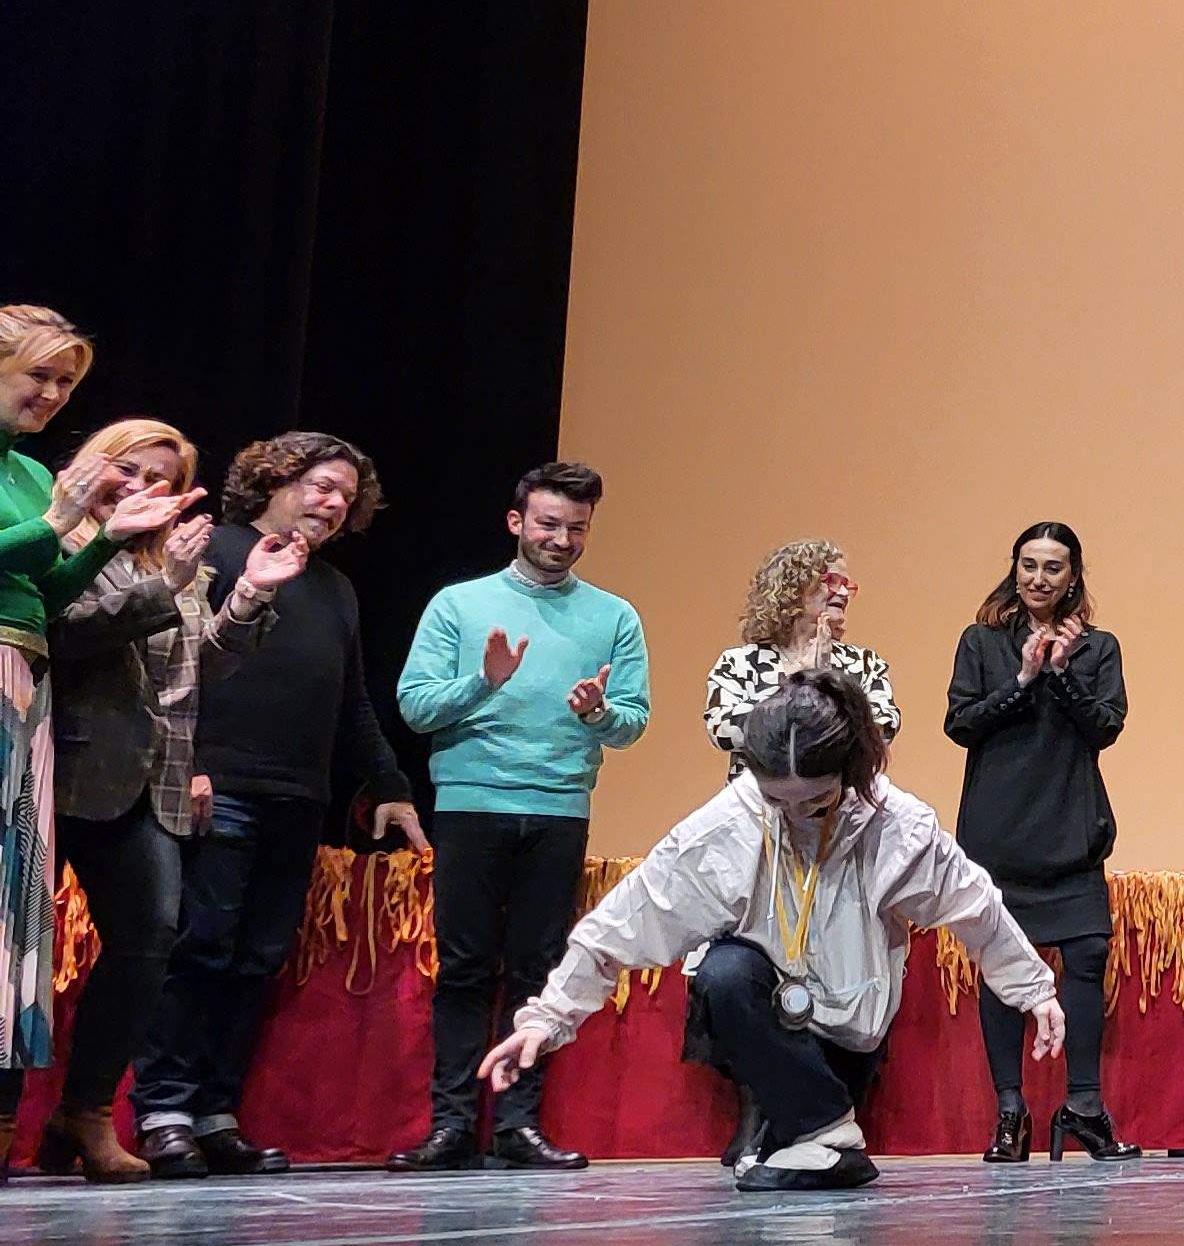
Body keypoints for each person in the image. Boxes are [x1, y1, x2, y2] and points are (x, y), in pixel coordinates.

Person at [477, 670, 1064, 1192]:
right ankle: (825, 1133)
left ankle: (817, 1131)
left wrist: (1035, 991)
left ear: (852, 772)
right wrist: (548, 1018)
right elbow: (627, 920)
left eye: (814, 802)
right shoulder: (729, 825)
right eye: (774, 799)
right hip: (762, 1026)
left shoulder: (898, 829)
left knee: (779, 1163)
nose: (791, 813)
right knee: (722, 972)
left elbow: (976, 908)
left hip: (847, 1034)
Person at [133, 431, 425, 1179]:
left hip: (300, 796)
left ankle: (215, 1111)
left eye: (346, 496)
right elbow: (170, 665)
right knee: (201, 948)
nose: (334, 503)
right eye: (321, 485)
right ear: (275, 479)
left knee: (256, 959)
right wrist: (186, 763)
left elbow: (352, 702)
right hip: (216, 786)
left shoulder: (335, 589)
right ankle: (164, 1108)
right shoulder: (216, 548)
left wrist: (389, 787)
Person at [38, 421, 295, 1181]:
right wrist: (165, 587)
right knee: (15, 951)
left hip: (155, 779)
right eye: (131, 469)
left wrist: (246, 597)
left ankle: (83, 1112)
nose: (145, 486)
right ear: (96, 464)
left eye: (164, 476)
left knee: (150, 941)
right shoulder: (56, 538)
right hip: (65, 767)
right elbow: (64, 635)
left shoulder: (172, 557)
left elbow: (198, 671)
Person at [387, 460, 650, 1173]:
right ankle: (451, 1124)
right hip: (472, 806)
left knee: (540, 971)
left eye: (576, 529)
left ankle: (517, 1124)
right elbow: (415, 706)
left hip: (560, 809)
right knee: (467, 969)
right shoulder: (458, 605)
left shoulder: (614, 616)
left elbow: (632, 724)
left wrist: (598, 711)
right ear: (516, 523)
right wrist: (484, 682)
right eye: (548, 524)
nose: (561, 539)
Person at [0, 314, 209, 1140]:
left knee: (18, 919)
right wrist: (69, 528)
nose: (50, 396)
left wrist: (101, 546)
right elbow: (69, 604)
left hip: (24, 686)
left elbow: (46, 604)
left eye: (65, 384)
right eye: (37, 376)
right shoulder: (51, 497)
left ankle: (39, 1118)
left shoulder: (23, 472)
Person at [941, 521, 1133, 1162]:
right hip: (999, 834)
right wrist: (1022, 680)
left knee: (1086, 956)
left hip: (1071, 829)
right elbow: (961, 724)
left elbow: (1106, 728)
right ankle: (1010, 1112)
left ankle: (1083, 1107)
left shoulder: (1098, 647)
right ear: (1014, 568)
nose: (1038, 579)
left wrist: (1062, 675)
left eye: (1053, 568)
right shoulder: (982, 641)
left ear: (1073, 576)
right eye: (1028, 565)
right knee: (1003, 970)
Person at [704, 539, 896, 768]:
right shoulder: (739, 663)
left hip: (844, 801)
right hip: (757, 803)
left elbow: (881, 730)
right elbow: (722, 731)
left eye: (848, 585)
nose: (844, 593)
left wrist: (822, 684)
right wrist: (795, 682)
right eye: (833, 581)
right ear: (793, 588)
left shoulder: (865, 664)